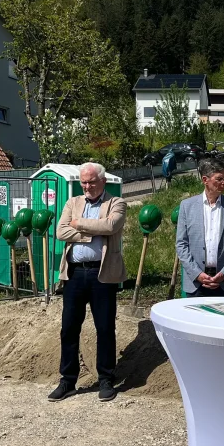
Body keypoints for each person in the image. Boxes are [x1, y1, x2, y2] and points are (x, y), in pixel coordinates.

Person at [49, 162, 127, 403]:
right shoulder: (73, 202)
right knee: (69, 328)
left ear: (103, 181)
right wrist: (93, 232)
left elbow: (111, 225)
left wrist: (78, 224)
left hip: (102, 275)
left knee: (105, 328)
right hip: (74, 274)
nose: (87, 186)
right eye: (83, 182)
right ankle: (68, 381)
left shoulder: (116, 203)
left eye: (91, 181)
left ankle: (105, 379)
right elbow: (61, 232)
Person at [176, 157, 224, 297]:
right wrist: (197, 274)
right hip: (196, 285)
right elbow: (181, 245)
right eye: (219, 179)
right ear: (205, 180)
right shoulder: (187, 206)